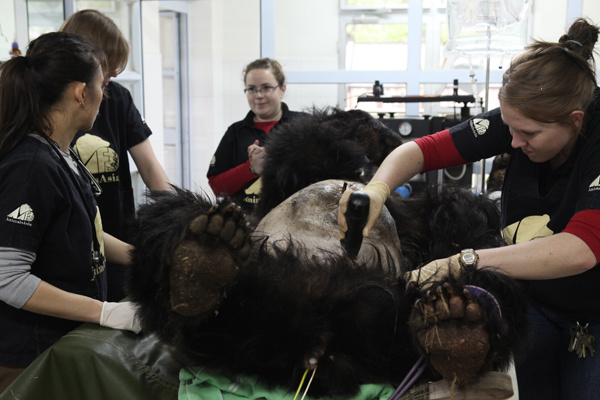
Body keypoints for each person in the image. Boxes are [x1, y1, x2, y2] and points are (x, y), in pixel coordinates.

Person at [339, 18, 600, 400]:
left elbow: (583, 248)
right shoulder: (524, 119)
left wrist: (464, 262)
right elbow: (421, 150)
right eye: (509, 127)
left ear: (574, 121)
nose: (513, 141)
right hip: (539, 305)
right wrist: (378, 188)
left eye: (527, 134)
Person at [0, 32, 140, 393]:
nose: (104, 97)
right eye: (101, 87)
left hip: (62, 343)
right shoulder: (30, 166)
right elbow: (8, 278)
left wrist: (142, 257)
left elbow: (83, 231)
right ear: (81, 93)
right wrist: (104, 312)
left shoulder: (62, 154)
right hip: (28, 358)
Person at [60, 9, 171, 301]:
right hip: (72, 249)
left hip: (118, 235)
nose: (115, 74)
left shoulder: (118, 97)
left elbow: (149, 165)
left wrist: (176, 215)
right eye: (109, 64)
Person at [207, 58, 306, 211]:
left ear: (282, 89)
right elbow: (216, 187)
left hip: (296, 221)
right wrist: (250, 169)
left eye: (266, 88)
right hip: (248, 225)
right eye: (252, 89)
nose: (258, 95)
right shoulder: (235, 133)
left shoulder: (303, 125)